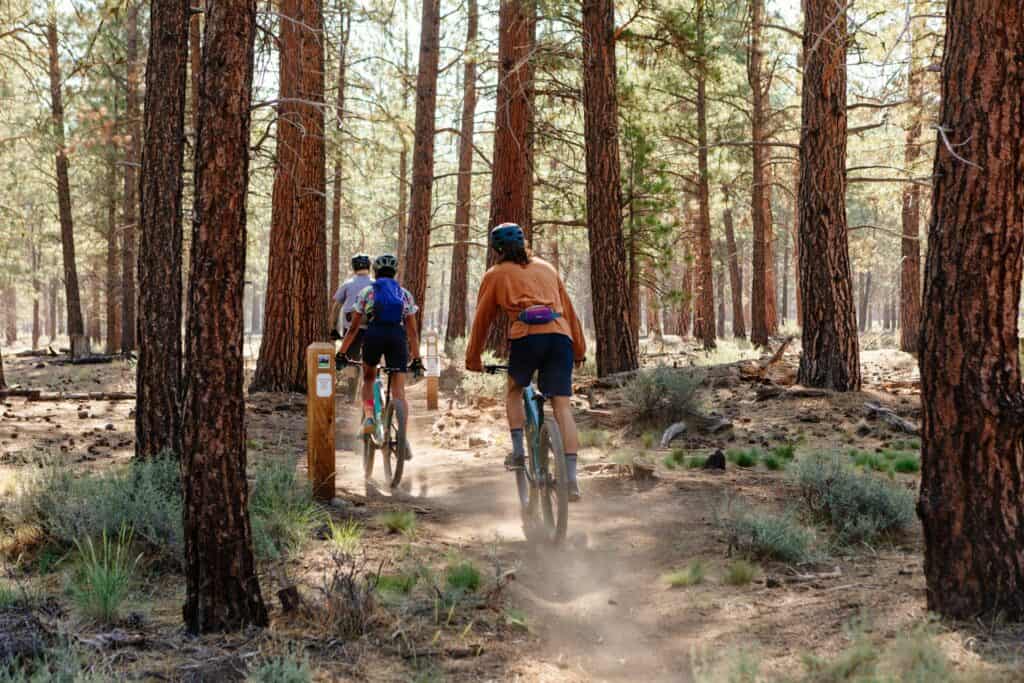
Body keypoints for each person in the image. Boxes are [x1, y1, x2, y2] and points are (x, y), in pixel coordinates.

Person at [465, 223, 586, 501]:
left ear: (496, 250)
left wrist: (473, 358)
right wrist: (579, 349)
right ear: (524, 243)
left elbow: (482, 320)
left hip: (526, 338)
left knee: (514, 391)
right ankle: (571, 480)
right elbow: (569, 311)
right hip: (560, 337)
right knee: (562, 407)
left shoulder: (495, 274)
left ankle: (519, 451)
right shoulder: (547, 268)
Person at [338, 254, 423, 435]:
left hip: (374, 335)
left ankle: (369, 416)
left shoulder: (367, 293)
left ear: (375, 272)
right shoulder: (405, 294)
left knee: (369, 378)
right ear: (394, 273)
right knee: (399, 391)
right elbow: (413, 333)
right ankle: (402, 438)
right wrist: (417, 358)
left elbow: (353, 329)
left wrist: (341, 353)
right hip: (397, 338)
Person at [329, 254, 374, 363]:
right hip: (371, 327)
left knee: (351, 363)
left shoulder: (347, 284)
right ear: (369, 266)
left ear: (354, 267)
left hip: (350, 328)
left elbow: (336, 307)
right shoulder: (376, 284)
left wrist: (333, 328)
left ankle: (351, 380)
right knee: (370, 362)